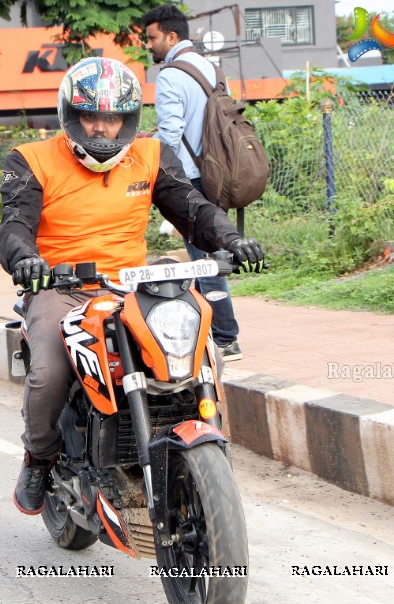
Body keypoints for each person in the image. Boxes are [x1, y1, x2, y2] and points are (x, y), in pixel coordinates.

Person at [0, 56, 264, 515]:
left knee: (203, 353)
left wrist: (231, 238)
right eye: (92, 116)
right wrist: (27, 262)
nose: (102, 128)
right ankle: (39, 455)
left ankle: (201, 457)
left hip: (130, 287)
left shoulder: (152, 153)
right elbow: (14, 226)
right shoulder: (31, 159)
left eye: (113, 116)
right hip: (62, 286)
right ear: (71, 115)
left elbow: (193, 209)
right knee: (49, 374)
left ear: (129, 117)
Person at [141, 4, 243, 362]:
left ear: (171, 36)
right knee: (207, 253)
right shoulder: (210, 67)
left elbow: (171, 132)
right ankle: (212, 333)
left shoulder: (170, 75)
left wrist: (151, 164)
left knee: (204, 259)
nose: (148, 45)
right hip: (219, 172)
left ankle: (226, 338)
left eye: (152, 38)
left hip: (191, 179)